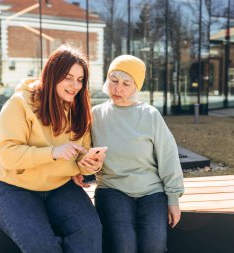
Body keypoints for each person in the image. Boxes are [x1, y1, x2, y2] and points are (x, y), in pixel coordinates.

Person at [0, 45, 104, 253]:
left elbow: (80, 156)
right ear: (52, 75)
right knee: (42, 245)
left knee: (90, 232)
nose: (75, 85)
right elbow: (6, 155)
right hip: (16, 190)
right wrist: (52, 152)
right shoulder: (20, 104)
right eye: (68, 77)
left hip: (61, 187)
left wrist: (88, 166)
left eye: (80, 79)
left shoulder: (78, 108)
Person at [74, 55, 184, 253]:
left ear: (136, 87)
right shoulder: (96, 115)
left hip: (151, 191)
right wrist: (84, 165)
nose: (118, 89)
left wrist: (173, 199)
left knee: (154, 246)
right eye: (114, 81)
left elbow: (169, 157)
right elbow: (83, 154)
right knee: (124, 247)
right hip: (112, 189)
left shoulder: (150, 115)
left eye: (126, 83)